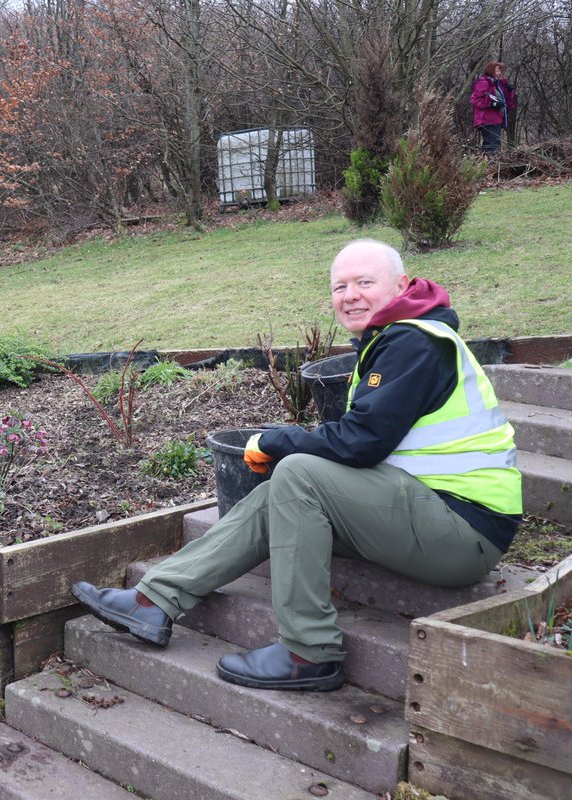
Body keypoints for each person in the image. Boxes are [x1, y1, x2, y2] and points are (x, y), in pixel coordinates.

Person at [71, 239, 521, 692]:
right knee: (280, 491)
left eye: (366, 282)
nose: (351, 295)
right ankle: (154, 601)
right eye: (340, 286)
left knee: (299, 473)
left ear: (401, 285)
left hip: (464, 532)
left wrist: (275, 439)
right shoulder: (397, 336)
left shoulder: (415, 342)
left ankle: (309, 651)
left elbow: (360, 443)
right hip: (425, 513)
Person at [470, 61, 516, 155]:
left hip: (496, 119)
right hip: (486, 119)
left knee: (496, 145)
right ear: (491, 71)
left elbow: (507, 101)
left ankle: (489, 165)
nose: (500, 73)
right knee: (491, 146)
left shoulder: (498, 85)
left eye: (500, 71)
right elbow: (475, 100)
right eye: (497, 70)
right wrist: (492, 104)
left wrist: (510, 90)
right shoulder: (483, 83)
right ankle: (487, 166)